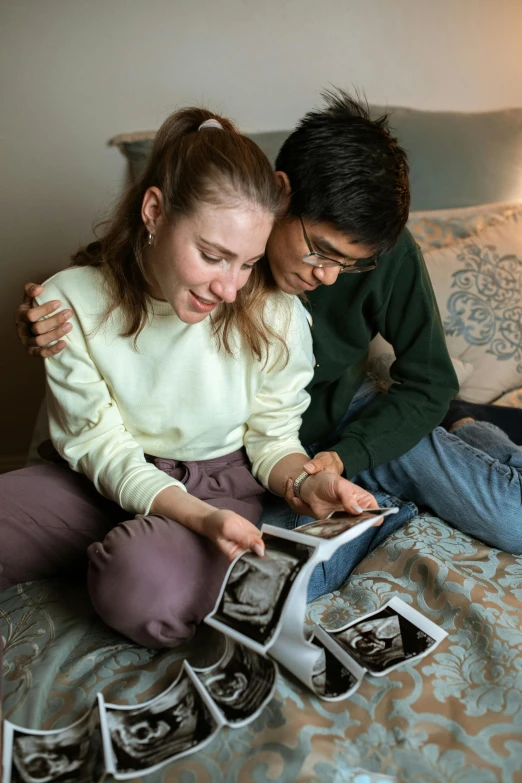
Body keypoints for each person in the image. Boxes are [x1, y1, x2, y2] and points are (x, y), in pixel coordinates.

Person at [14, 91, 522, 602]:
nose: (328, 277)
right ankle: (433, 462)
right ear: (280, 195)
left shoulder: (377, 257)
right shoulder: (216, 246)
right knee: (268, 585)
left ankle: (467, 432)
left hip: (349, 423)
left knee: (512, 521)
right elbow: (129, 277)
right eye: (320, 251)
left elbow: (430, 379)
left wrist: (345, 458)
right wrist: (50, 315)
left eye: (349, 263)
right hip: (267, 455)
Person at [1, 106, 383, 649]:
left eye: (248, 264)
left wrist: (301, 482)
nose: (229, 289)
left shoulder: (278, 316)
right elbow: (99, 446)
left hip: (214, 486)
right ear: (154, 211)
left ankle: (145, 552)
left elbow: (272, 439)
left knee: (138, 586)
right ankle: (136, 543)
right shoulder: (67, 302)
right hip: (93, 478)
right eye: (212, 256)